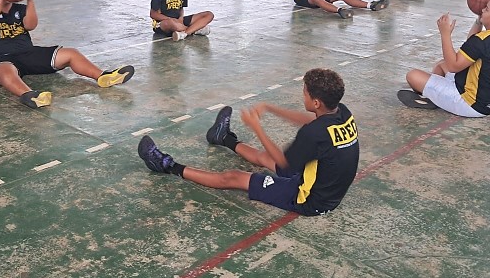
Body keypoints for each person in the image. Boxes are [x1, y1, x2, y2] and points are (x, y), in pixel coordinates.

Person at [137, 68, 359, 216]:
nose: (303, 96)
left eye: (305, 93)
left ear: (316, 102)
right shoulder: (341, 112)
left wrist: (256, 127)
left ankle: (166, 165)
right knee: (263, 158)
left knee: (233, 177)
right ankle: (223, 137)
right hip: (324, 183)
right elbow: (308, 121)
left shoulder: (314, 134)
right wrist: (271, 108)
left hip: (310, 199)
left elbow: (283, 162)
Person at [0, 0, 135, 108]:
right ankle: (29, 95)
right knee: (5, 72)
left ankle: (103, 77)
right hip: (1, 58)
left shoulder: (20, 9)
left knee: (71, 53)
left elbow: (31, 25)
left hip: (28, 53)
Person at [405, 0, 490, 117]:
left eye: (486, 9)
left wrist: (445, 33)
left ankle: (435, 97)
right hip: (489, 104)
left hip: (469, 104)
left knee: (413, 75)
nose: (482, 10)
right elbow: (473, 46)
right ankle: (437, 94)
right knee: (441, 65)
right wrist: (479, 20)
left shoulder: (482, 40)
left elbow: (453, 66)